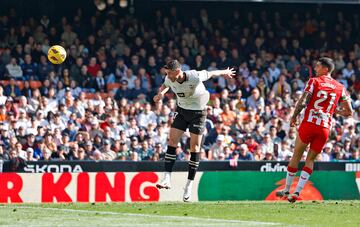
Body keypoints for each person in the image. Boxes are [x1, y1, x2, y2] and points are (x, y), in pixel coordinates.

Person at [153, 59, 235, 202]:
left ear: (177, 71)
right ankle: (166, 178)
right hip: (182, 110)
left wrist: (225, 72)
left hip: (198, 113)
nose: (167, 75)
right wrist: (161, 94)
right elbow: (166, 85)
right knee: (172, 141)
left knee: (195, 148)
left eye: (169, 72)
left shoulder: (194, 76)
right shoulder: (169, 77)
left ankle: (189, 184)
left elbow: (211, 73)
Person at [276, 57, 353, 203]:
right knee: (310, 159)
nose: (315, 69)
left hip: (309, 123)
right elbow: (349, 112)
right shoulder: (340, 87)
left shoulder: (314, 81)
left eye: (318, 67)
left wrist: (294, 116)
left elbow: (303, 101)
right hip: (325, 127)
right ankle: (297, 192)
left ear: (325, 69)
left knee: (296, 155)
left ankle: (286, 189)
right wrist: (330, 111)